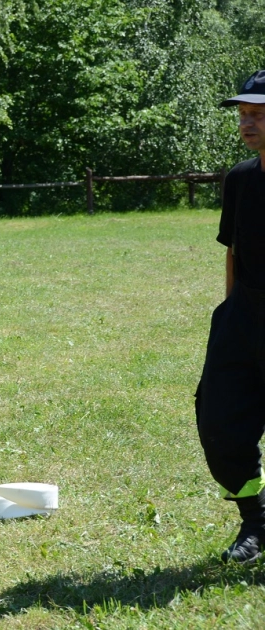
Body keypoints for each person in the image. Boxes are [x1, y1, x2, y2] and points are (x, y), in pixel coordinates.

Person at [196, 69, 265, 563]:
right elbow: (233, 250)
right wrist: (230, 313)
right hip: (244, 312)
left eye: (257, 114)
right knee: (219, 421)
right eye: (242, 114)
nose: (246, 122)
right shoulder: (240, 179)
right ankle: (255, 522)